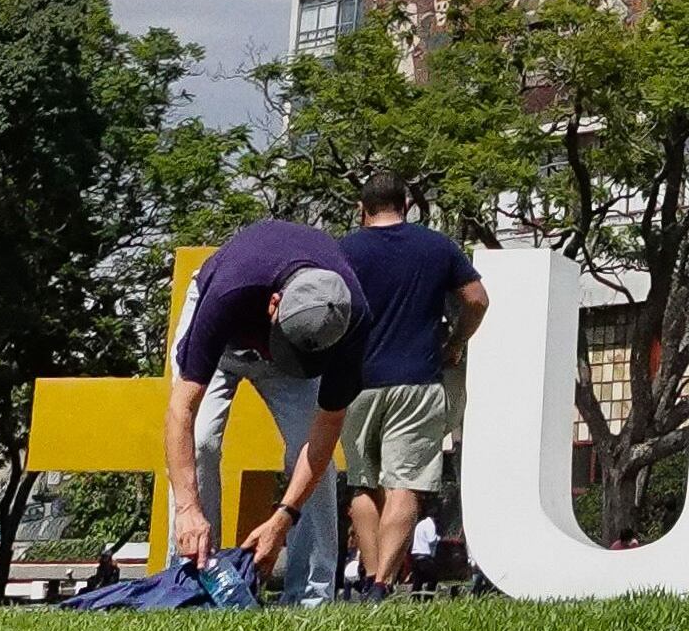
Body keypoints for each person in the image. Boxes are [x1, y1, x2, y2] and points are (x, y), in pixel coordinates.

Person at [166, 215, 365, 604]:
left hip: (300, 334)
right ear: (274, 304)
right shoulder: (228, 291)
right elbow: (180, 412)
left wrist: (283, 517)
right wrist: (189, 507)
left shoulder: (350, 318)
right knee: (202, 442)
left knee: (315, 461)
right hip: (225, 345)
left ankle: (311, 597)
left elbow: (323, 433)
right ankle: (195, 582)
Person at [329, 173, 486, 599]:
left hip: (356, 382)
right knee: (405, 485)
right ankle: (383, 583)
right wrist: (455, 342)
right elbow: (477, 299)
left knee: (362, 483)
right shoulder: (436, 246)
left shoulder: (343, 251)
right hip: (418, 380)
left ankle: (366, 578)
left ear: (362, 209)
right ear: (407, 206)